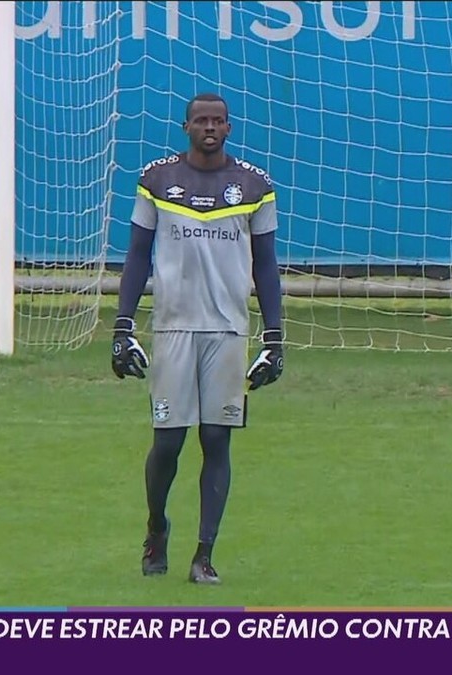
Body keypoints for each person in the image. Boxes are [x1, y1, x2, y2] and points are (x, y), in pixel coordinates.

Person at [111, 92, 286, 585]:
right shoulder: (157, 180)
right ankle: (156, 527)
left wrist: (275, 337)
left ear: (229, 128)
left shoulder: (255, 186)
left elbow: (267, 265)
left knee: (216, 439)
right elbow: (137, 255)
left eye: (218, 121)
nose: (209, 127)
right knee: (168, 442)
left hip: (228, 331)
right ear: (185, 127)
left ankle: (204, 555)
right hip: (172, 329)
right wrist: (123, 325)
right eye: (200, 120)